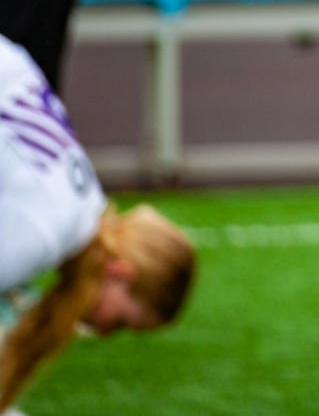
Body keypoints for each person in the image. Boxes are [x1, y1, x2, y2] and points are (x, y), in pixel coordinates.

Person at [0, 33, 196, 412]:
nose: (104, 333)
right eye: (119, 322)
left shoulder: (82, 200)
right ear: (120, 273)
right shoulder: (43, 233)